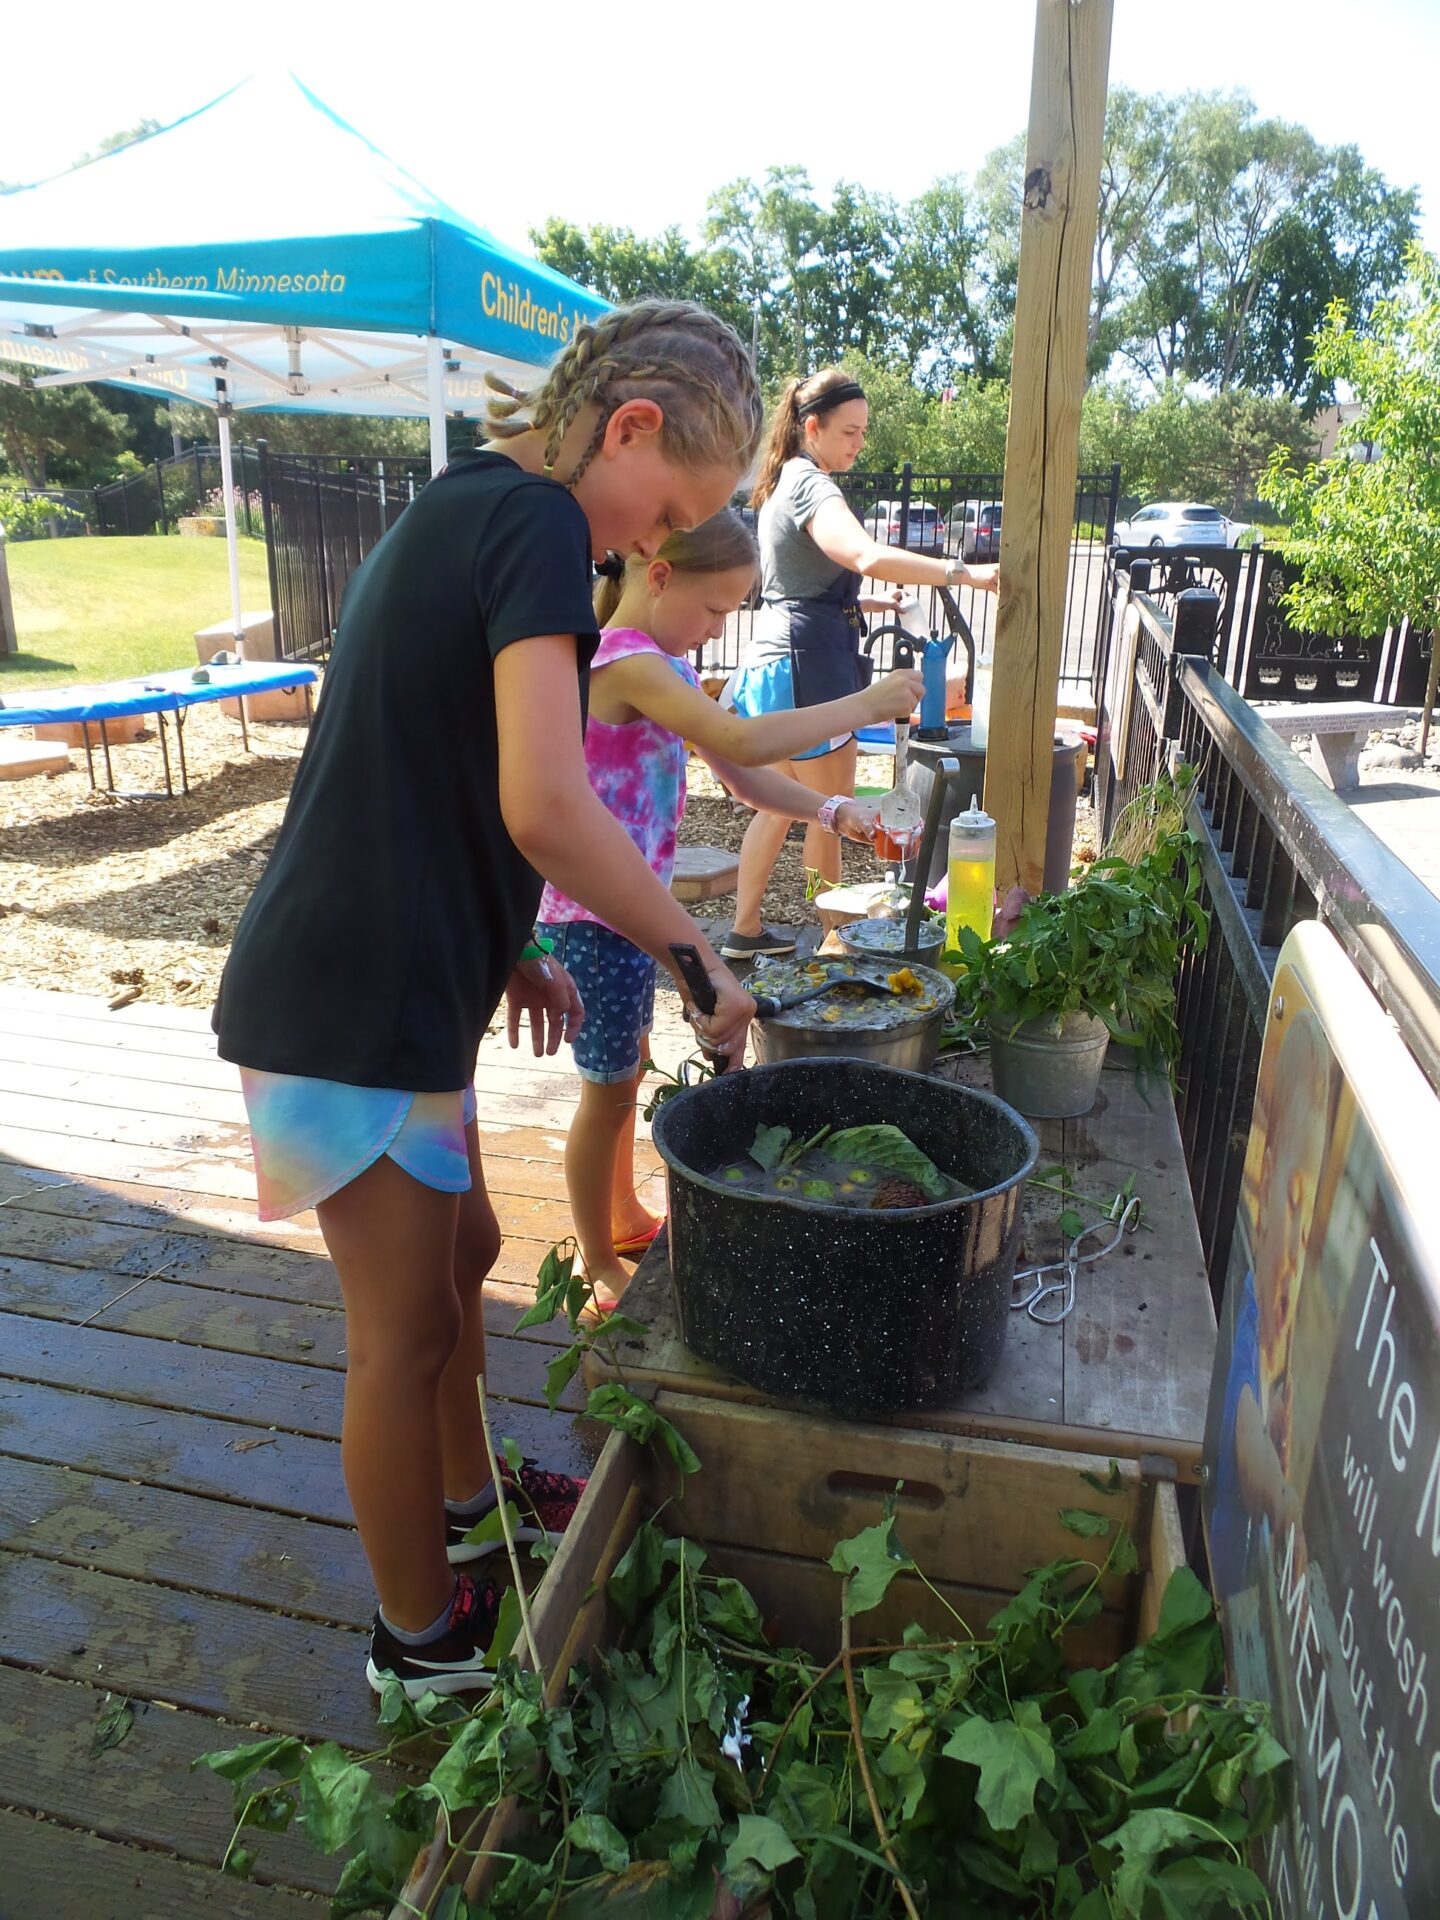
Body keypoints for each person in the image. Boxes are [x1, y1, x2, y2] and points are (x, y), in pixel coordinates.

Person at [212, 301, 764, 1700]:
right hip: (348, 999)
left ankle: (469, 1506)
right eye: (670, 508)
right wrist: (695, 951)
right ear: (627, 426)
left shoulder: (473, 503)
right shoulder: (534, 525)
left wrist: (504, 946)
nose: (656, 542)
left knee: (464, 1254)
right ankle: (419, 1642)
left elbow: (430, 761)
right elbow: (546, 800)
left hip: (409, 976)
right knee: (395, 1336)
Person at [536, 511, 925, 1310]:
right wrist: (865, 702)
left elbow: (745, 779)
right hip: (585, 912)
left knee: (626, 1063)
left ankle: (622, 1214)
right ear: (661, 576)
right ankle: (597, 1257)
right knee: (605, 1087)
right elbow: (746, 743)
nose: (716, 631)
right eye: (715, 610)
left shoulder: (666, 670)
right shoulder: (627, 661)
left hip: (626, 912)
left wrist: (833, 812)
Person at [722, 366, 999, 960]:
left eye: (863, 432)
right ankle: (835, 948)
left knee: (778, 807)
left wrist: (864, 601)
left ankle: (745, 931)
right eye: (849, 431)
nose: (859, 443)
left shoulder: (784, 480)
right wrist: (964, 572)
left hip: (780, 660)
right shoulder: (811, 485)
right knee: (831, 811)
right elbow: (867, 553)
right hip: (809, 665)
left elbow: (795, 582)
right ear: (812, 427)